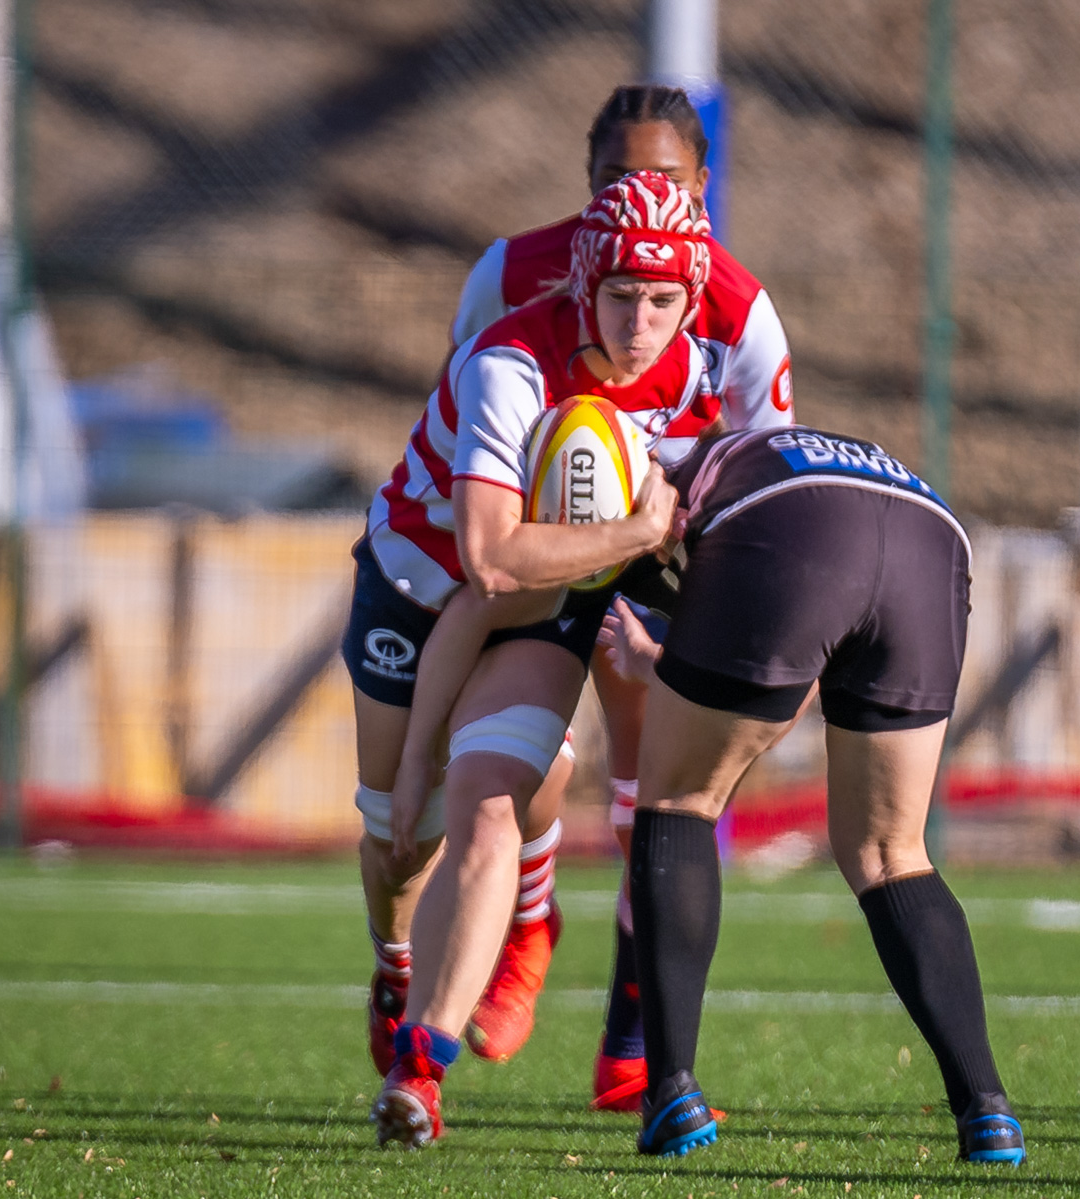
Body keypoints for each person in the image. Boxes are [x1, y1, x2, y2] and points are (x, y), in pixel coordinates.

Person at [447, 82, 795, 1107]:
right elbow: (463, 418)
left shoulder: (738, 306)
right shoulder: (513, 276)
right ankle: (529, 918)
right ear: (588, 181)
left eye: (667, 179)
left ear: (704, 182)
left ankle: (632, 1040)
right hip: (536, 545)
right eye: (616, 178)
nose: (640, 195)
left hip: (664, 547)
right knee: (518, 753)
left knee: (659, 778)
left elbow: (763, 472)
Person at [355, 171, 709, 1148]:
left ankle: (424, 1065)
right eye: (622, 295)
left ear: (694, 298)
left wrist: (670, 621)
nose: (643, 322)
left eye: (666, 300)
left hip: (542, 609)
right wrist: (639, 532)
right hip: (414, 585)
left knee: (489, 805)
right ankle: (393, 957)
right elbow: (490, 557)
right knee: (395, 828)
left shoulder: (696, 376)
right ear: (583, 282)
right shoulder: (513, 359)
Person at [603, 426, 1028, 1165]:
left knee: (676, 800)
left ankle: (670, 1087)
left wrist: (655, 669)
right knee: (891, 850)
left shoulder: (658, 470)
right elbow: (788, 670)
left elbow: (750, 601)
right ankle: (985, 1106)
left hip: (796, 521)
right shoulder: (764, 444)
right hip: (933, 540)